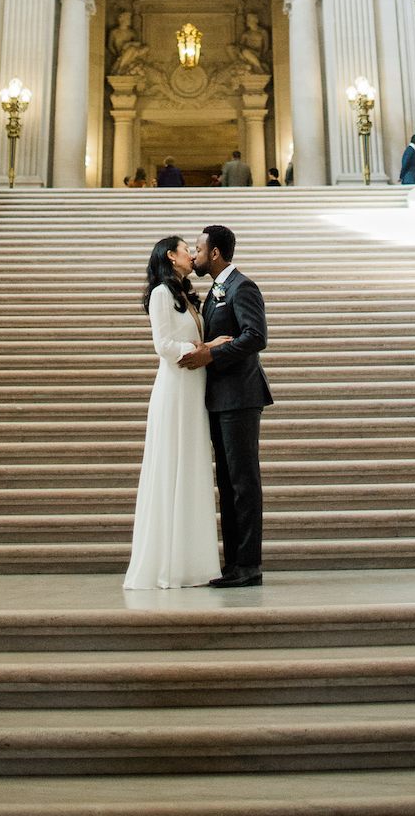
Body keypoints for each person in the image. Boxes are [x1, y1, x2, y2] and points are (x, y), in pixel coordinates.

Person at [123, 237, 224, 590]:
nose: (192, 254)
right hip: (176, 386)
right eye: (186, 249)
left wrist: (208, 346)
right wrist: (202, 350)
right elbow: (163, 345)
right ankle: (168, 563)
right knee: (173, 468)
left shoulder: (185, 295)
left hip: (194, 387)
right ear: (171, 255)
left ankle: (191, 561)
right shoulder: (162, 294)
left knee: (192, 469)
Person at [179, 224, 272, 587]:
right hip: (220, 400)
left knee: (243, 483)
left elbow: (256, 336)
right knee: (228, 481)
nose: (195, 256)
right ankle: (232, 563)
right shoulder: (216, 290)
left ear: (214, 253)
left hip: (241, 397)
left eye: (199, 251)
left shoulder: (242, 286)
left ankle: (249, 565)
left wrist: (211, 357)